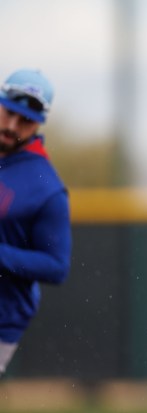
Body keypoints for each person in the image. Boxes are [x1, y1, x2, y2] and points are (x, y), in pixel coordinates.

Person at [0, 69, 71, 377]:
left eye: (25, 120)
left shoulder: (46, 187)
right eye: (9, 113)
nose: (12, 125)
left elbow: (56, 266)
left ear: (39, 123)